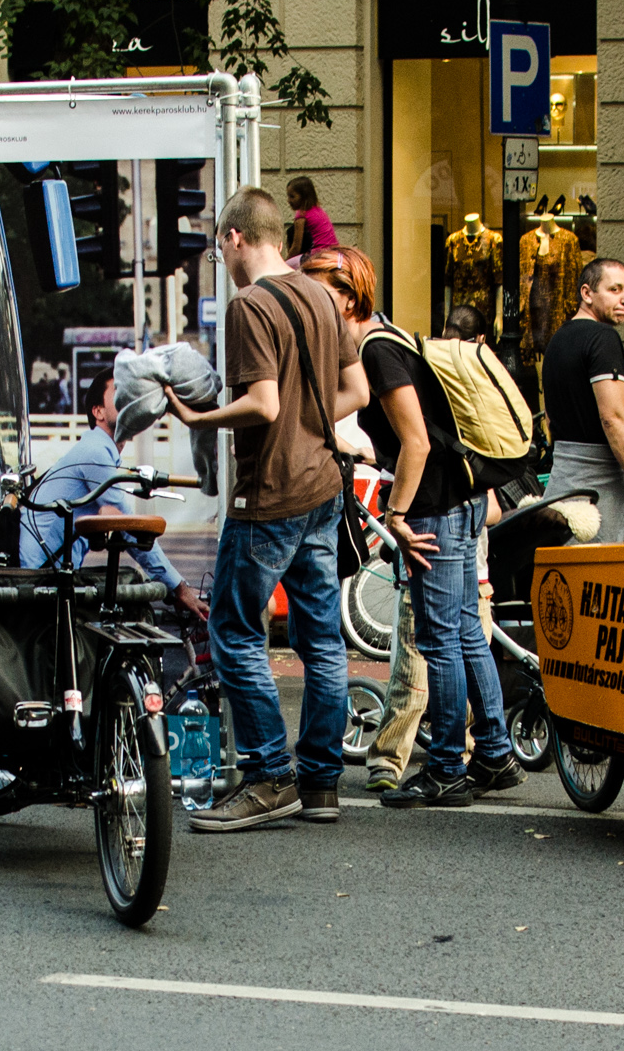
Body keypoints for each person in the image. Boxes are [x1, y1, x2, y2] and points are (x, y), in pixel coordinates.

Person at [167, 186, 368, 832]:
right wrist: (311, 426)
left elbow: (262, 404)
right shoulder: (317, 291)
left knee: (232, 629)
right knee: (321, 639)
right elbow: (355, 389)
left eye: (218, 247)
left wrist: (200, 417)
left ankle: (266, 776)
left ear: (233, 238)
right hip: (322, 488)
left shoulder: (248, 306)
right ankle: (321, 784)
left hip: (271, 494)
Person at [301, 246, 518, 807]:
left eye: (318, 291)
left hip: (436, 507)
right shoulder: (387, 340)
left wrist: (396, 513)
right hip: (460, 500)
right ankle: (493, 753)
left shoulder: (376, 351)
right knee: (466, 630)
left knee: (441, 638)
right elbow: (407, 436)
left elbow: (417, 442)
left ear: (348, 298)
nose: (309, 303)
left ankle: (447, 766)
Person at [19, 374, 206, 613]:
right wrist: (180, 588)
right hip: (42, 580)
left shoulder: (98, 450)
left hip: (49, 573)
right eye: (119, 394)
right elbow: (131, 529)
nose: (129, 399)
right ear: (98, 412)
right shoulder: (95, 451)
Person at [542, 259, 624, 541]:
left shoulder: (559, 338)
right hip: (601, 490)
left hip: (563, 482)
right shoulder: (603, 338)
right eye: (615, 290)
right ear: (587, 293)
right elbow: (612, 417)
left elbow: (563, 409)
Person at [285, 176, 339, 257]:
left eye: (292, 196)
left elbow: (296, 247)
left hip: (319, 254)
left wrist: (285, 262)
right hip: (334, 251)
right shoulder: (319, 210)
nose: (288, 200)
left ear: (303, 197)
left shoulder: (301, 216)